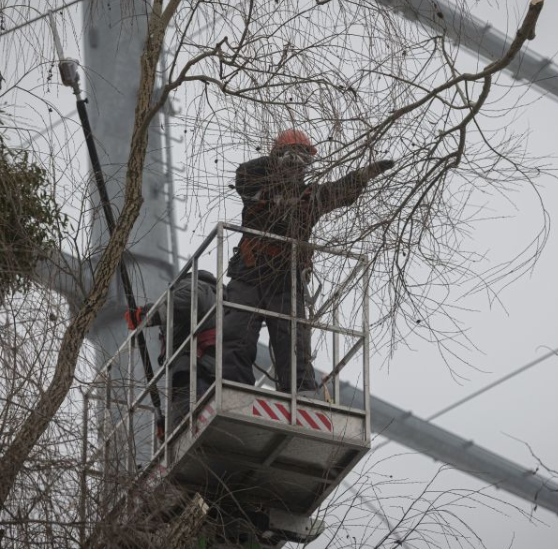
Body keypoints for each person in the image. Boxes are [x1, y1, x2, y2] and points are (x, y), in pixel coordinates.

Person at [222, 128, 394, 395]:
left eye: (303, 158)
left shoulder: (309, 197)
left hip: (286, 280)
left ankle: (300, 396)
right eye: (291, 156)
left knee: (293, 344)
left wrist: (362, 176)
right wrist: (275, 162)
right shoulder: (256, 185)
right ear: (277, 156)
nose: (297, 164)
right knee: (236, 335)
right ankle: (232, 390)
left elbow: (339, 192)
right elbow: (243, 175)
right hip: (250, 272)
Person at [125, 270, 219, 431]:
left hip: (196, 371)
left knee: (185, 432)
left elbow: (190, 299)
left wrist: (148, 315)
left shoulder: (195, 285)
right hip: (204, 371)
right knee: (181, 428)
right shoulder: (220, 301)